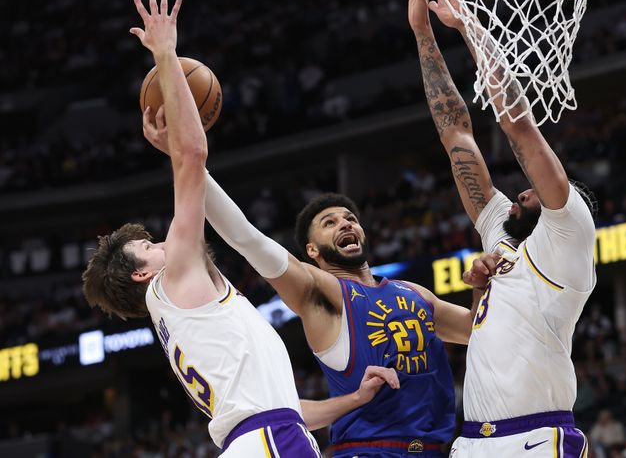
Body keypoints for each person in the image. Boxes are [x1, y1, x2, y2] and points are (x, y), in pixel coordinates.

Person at [82, 0, 399, 458]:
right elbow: (193, 155)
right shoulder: (173, 282)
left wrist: (353, 400)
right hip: (270, 444)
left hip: (264, 437)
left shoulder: (188, 317)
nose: (164, 243)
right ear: (142, 273)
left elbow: (282, 407)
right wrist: (166, 54)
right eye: (150, 246)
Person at [142, 76, 482, 458]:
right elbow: (246, 238)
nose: (346, 224)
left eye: (349, 218)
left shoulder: (414, 294)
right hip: (368, 450)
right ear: (312, 251)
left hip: (439, 450)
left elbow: (479, 331)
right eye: (330, 223)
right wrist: (184, 159)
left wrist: (482, 283)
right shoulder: (320, 291)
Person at [407, 0, 596, 456]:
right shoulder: (500, 235)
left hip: (536, 434)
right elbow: (456, 136)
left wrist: (469, 24)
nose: (521, 191)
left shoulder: (566, 234)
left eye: (533, 189)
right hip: (471, 442)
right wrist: (424, 32)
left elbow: (519, 127)